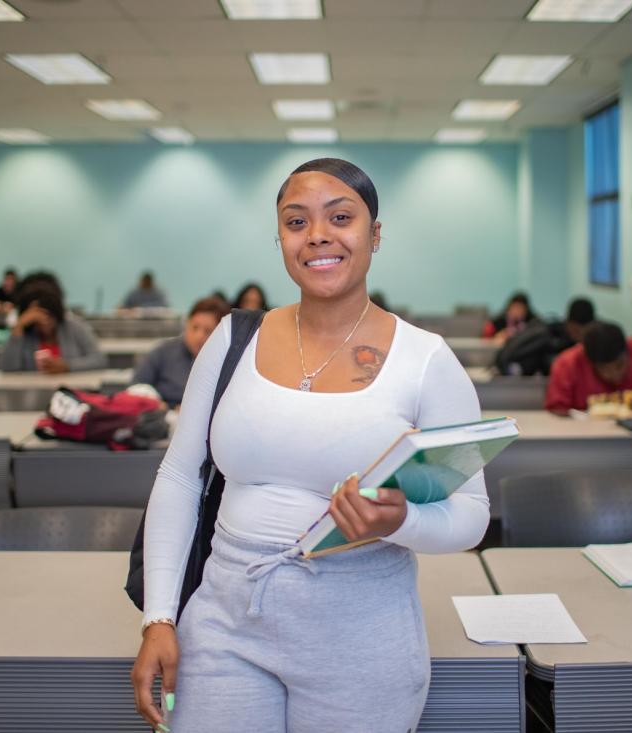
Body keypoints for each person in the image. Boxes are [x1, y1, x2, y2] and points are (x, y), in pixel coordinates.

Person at [131, 158, 489, 732]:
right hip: (226, 615)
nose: (318, 234)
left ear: (375, 234)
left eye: (340, 217)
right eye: (296, 223)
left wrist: (395, 523)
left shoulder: (426, 361)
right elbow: (178, 478)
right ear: (281, 240)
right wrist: (159, 618)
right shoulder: (232, 339)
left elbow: (471, 515)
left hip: (362, 626)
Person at [130, 297, 231, 408]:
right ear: (187, 324)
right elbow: (136, 388)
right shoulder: (162, 352)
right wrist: (159, 407)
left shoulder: (228, 361)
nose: (199, 336)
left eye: (208, 331)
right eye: (195, 327)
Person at [0, 283, 105, 373]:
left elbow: (99, 360)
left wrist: (67, 366)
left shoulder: (74, 326)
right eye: (35, 316)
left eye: (47, 314)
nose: (43, 320)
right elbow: (6, 368)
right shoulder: (24, 332)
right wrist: (18, 327)